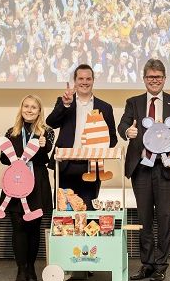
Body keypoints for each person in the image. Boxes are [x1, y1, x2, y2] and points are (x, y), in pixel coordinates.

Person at [117, 58, 170, 281]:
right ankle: (147, 263)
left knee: (165, 217)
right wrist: (127, 132)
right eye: (150, 77)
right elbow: (122, 126)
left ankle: (161, 264)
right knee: (144, 217)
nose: (154, 80)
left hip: (165, 169)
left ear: (164, 79)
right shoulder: (133, 102)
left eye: (158, 77)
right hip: (141, 168)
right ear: (144, 79)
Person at [0, 95, 54, 281]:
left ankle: (31, 266)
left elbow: (45, 156)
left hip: (37, 183)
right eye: (26, 106)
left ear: (39, 111)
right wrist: (15, 158)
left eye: (34, 107)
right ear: (21, 108)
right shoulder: (11, 132)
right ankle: (21, 269)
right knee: (19, 228)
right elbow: (4, 160)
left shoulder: (47, 132)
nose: (29, 110)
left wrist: (43, 146)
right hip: (15, 183)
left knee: (34, 228)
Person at [46, 64, 117, 208]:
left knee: (88, 211)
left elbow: (112, 139)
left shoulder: (105, 107)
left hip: (91, 167)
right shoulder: (65, 101)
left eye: (88, 79)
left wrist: (98, 147)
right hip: (65, 166)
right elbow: (51, 123)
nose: (84, 82)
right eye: (81, 78)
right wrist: (65, 105)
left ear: (93, 80)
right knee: (64, 213)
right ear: (75, 81)